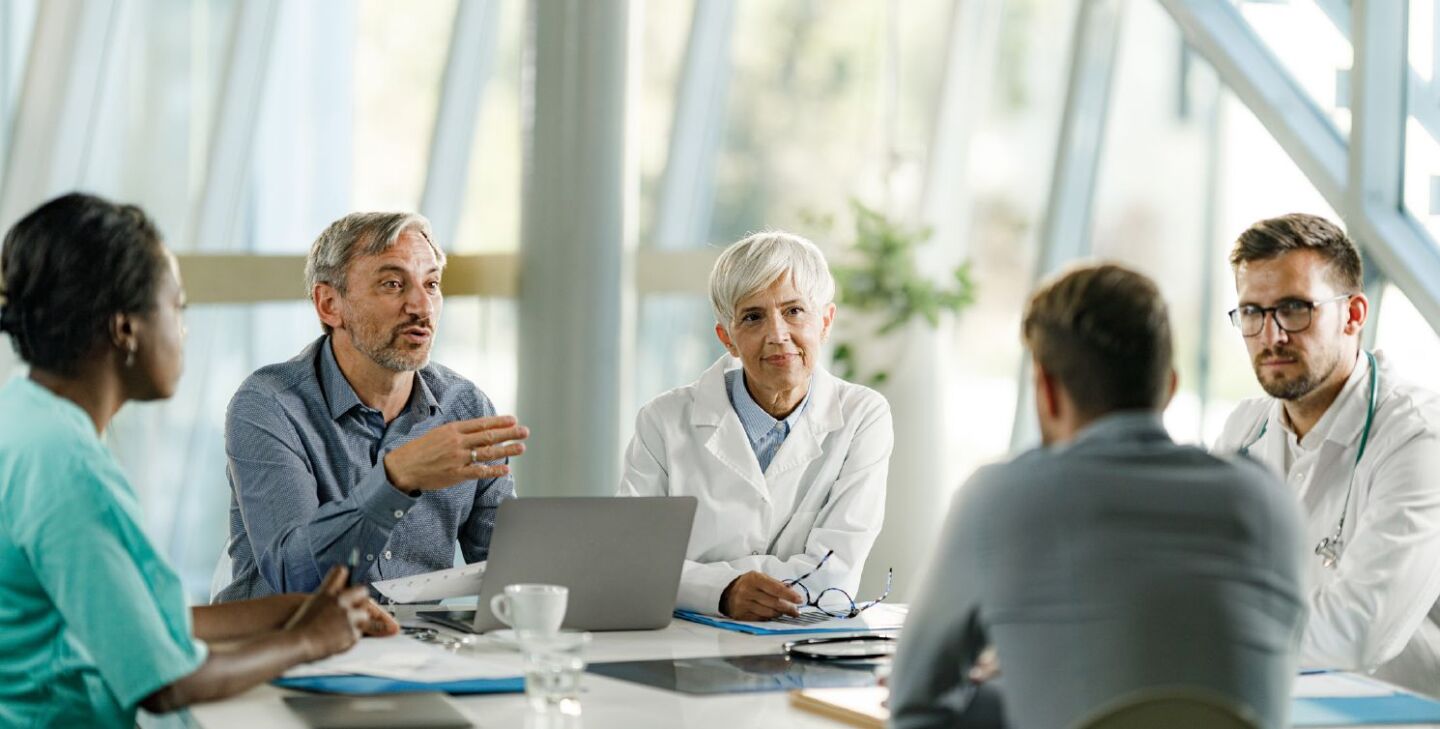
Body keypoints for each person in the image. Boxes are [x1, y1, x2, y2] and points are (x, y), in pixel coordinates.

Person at [0, 193, 398, 728]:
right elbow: (166, 683)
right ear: (126, 329)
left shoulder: (26, 417)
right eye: (177, 309)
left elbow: (139, 623)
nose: (184, 330)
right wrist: (307, 640)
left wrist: (293, 614)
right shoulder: (67, 466)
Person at [889, 264, 1306, 729]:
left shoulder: (999, 498)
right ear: (1168, 387)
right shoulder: (1267, 500)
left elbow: (916, 703)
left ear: (1045, 391)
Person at [216, 212, 529, 601]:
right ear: (329, 304)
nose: (421, 306)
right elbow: (296, 576)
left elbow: (510, 572)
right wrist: (396, 479)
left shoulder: (465, 406)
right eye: (393, 284)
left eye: (431, 284)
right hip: (290, 650)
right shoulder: (270, 405)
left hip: (418, 653)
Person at [1213, 214, 1440, 696]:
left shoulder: (1419, 436)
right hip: (1289, 705)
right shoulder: (1245, 430)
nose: (1271, 336)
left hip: (1408, 714)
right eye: (1252, 312)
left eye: (1294, 309)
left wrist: (1205, 639)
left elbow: (1357, 632)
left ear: (1354, 314)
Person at [618, 231, 893, 620]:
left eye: (794, 311)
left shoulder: (863, 416)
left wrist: (694, 582)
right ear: (727, 338)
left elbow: (835, 578)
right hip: (687, 644)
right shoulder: (663, 421)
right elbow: (633, 562)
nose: (778, 335)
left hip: (807, 640)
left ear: (826, 321)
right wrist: (723, 592)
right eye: (753, 317)